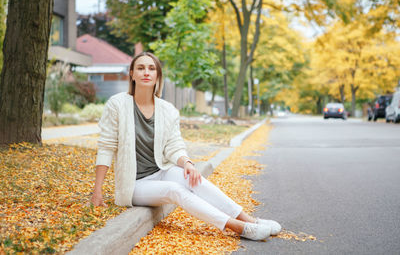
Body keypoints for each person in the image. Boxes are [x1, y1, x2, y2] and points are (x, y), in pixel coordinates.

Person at [90, 52, 281, 241]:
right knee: (174, 190)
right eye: (140, 68)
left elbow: (174, 145)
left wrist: (187, 163)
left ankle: (250, 220)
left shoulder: (167, 110)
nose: (146, 72)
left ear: (158, 75)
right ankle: (238, 227)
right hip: (134, 184)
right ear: (131, 74)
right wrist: (97, 190)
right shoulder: (117, 105)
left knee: (193, 180)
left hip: (160, 171)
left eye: (151, 68)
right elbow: (106, 146)